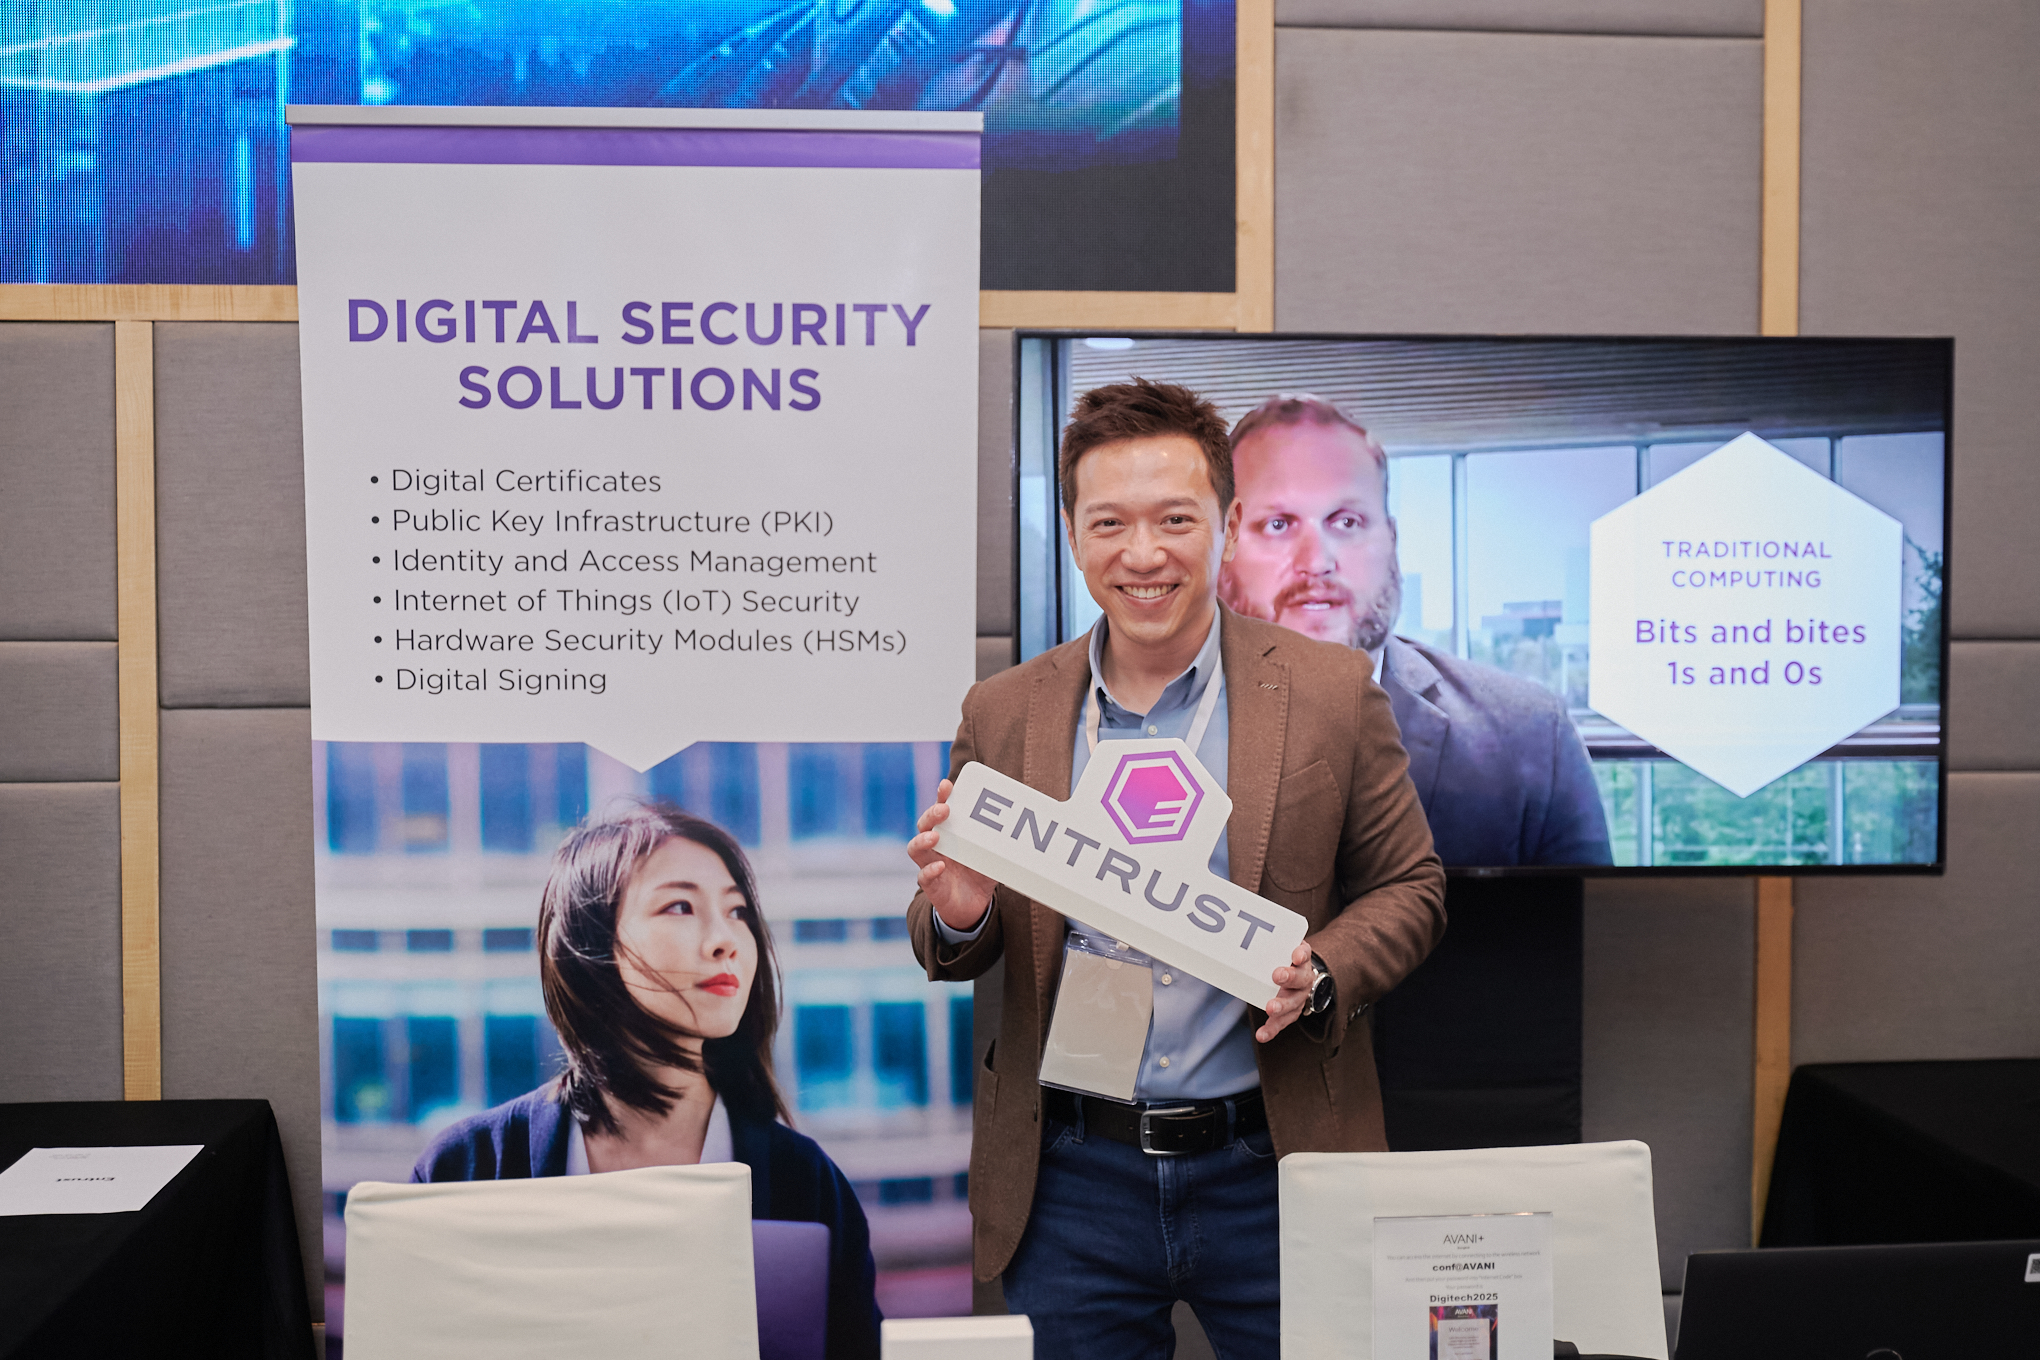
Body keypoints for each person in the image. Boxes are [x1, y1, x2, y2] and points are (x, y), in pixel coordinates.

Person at [905, 378, 1446, 1358]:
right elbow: (952, 939)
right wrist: (961, 912)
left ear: (1228, 527)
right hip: (1072, 1177)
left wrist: (1324, 970)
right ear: (1073, 535)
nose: (1143, 553)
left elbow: (1412, 888)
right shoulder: (1005, 711)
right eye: (1109, 522)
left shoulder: (1329, 691)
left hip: (1275, 1161)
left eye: (1175, 519)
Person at [414, 802, 882, 1360]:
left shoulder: (806, 1184)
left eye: (737, 911)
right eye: (680, 906)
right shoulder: (467, 1170)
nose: (726, 940)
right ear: (591, 943)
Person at [1218, 394, 1614, 867]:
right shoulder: (1152, 727)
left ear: (1391, 541)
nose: (1317, 561)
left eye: (1347, 522)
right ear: (1223, 547)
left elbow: (1594, 917)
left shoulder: (1530, 735)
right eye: (1278, 524)